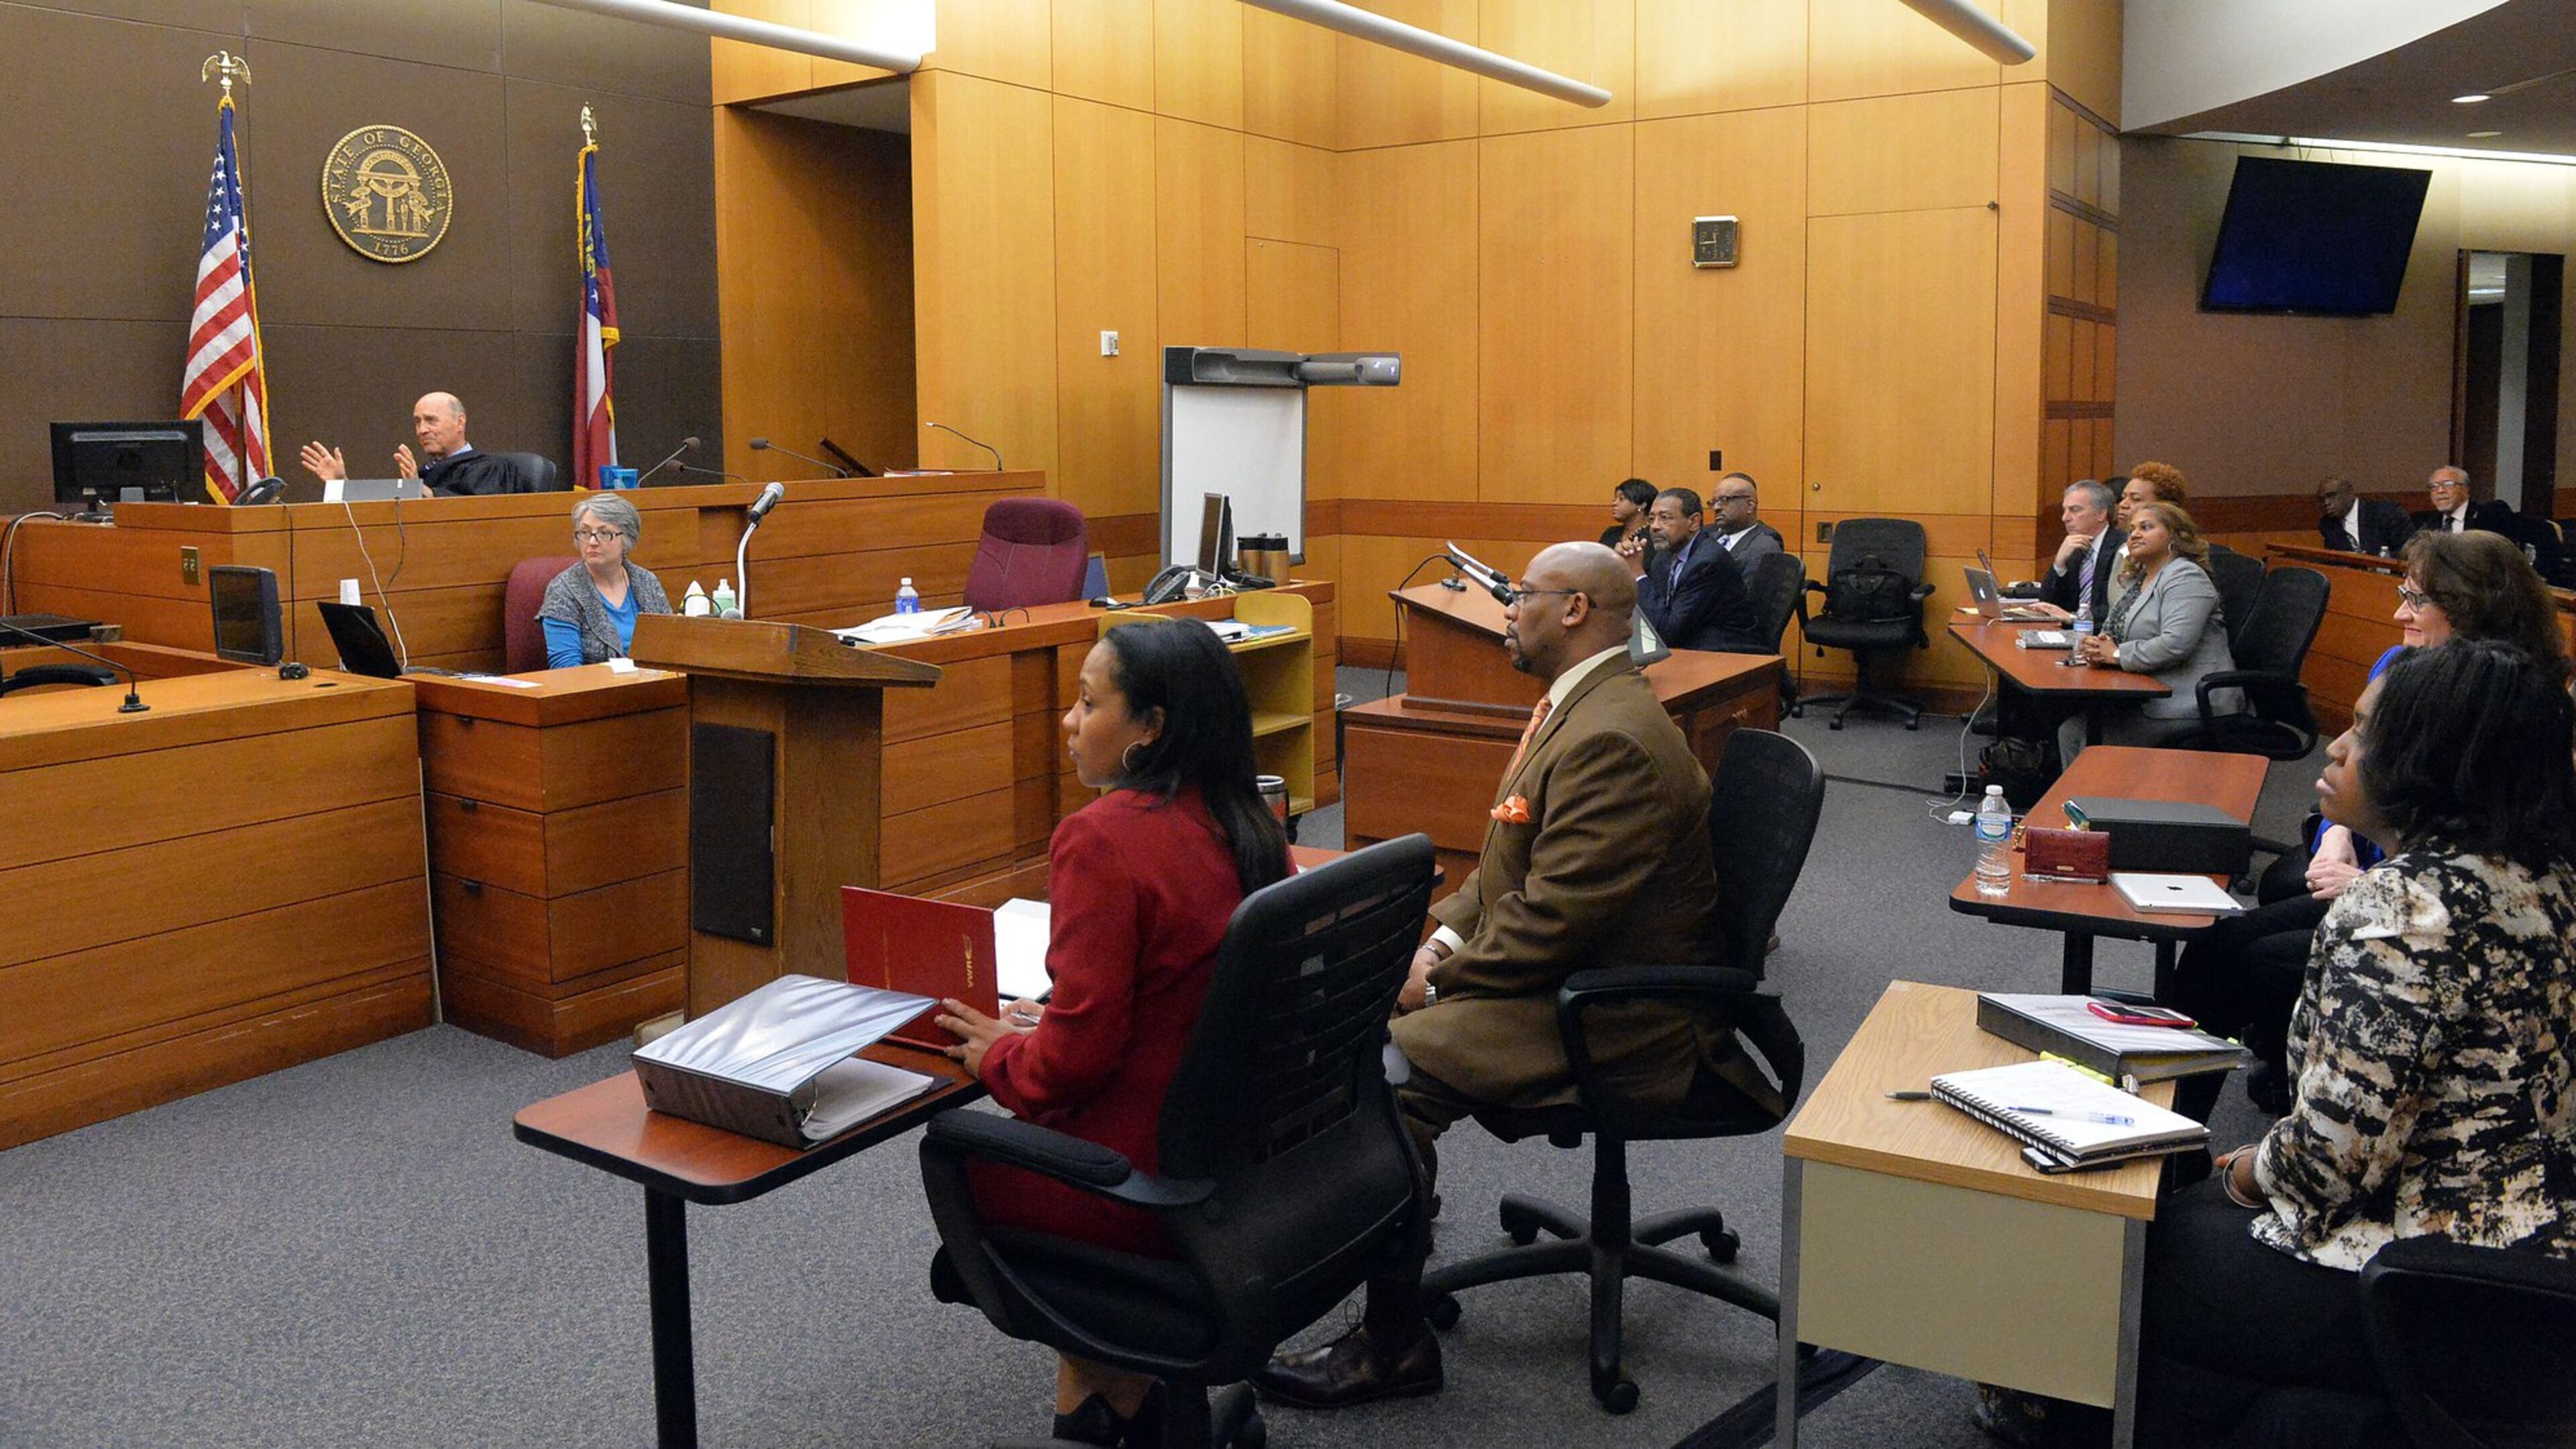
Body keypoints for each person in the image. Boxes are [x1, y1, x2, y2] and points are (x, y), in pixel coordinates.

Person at [1254, 542, 1758, 1410]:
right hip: (1568, 977)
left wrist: (1436, 988)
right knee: (1371, 1048)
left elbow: (1552, 919)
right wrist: (1439, 949)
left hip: (1621, 1017)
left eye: (1520, 596)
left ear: (1573, 611)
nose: (1507, 612)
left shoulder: (1614, 738)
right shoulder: (1581, 708)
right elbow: (1504, 870)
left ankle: (1395, 1338)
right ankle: (1392, 1230)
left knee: (1378, 1075)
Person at [2135, 639, 2576, 1445]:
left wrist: (2236, 1171)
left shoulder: (2402, 912)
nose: (2337, 745)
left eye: (2366, 732)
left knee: (2135, 1252)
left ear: (2430, 760)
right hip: (2545, 1277)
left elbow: (2324, 1168)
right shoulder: (2548, 876)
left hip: (2435, 1290)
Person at [932, 617, 1291, 1447]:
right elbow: (1176, 989)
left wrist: (1002, 1053)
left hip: (1137, 1181)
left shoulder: (1102, 839)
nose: (1069, 722)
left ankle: (1115, 1412)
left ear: (1150, 729)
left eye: (1088, 704)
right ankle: (1132, 1408)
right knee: (1103, 1330)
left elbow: (1070, 1069)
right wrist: (1057, 1015)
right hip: (1245, 1158)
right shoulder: (1249, 822)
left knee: (964, 1152)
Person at [2168, 530, 2569, 1109]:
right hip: (2375, 873)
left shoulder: (2517, 708)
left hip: (2428, 910)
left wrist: (2365, 886)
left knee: (2259, 961)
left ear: (2468, 607)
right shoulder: (2399, 665)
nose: (2398, 611)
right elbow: (2361, 772)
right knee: (2217, 943)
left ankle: (2295, 1094)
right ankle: (2175, 1133)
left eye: (2416, 598)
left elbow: (2489, 871)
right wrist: (2334, 839)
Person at [2057, 501, 2238, 762]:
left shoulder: (2187, 577)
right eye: (2132, 529)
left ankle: (2104, 801)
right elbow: (2114, 630)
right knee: (2071, 731)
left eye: (2146, 527)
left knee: (2094, 742)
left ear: (2174, 536)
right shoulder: (2142, 578)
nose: (2135, 534)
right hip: (2147, 689)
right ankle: (2079, 802)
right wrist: (2098, 647)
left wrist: (2117, 654)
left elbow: (2175, 644)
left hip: (2189, 700)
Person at [536, 493, 674, 667]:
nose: (592, 542)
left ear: (627, 540)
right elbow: (565, 669)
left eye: (604, 533)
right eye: (585, 533)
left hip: (654, 686)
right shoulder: (563, 590)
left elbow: (671, 648)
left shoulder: (647, 581)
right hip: (593, 690)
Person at [298, 392, 528, 496]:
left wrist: (421, 493)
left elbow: (473, 513)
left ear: (460, 423)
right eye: (417, 422)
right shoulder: (422, 474)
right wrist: (342, 484)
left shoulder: (489, 468)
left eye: (431, 420)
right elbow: (384, 505)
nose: (422, 430)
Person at [1634, 486, 1764, 653]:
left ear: (1694, 522)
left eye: (1665, 518)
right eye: (1651, 519)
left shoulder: (1709, 561)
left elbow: (1668, 633)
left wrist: (1638, 574)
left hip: (1729, 651)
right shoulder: (1663, 558)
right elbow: (1658, 613)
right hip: (1691, 643)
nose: (1655, 527)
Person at [2037, 480, 2121, 624]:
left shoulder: (2122, 548)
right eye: (2065, 510)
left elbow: (2119, 609)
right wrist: (2059, 564)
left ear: (2101, 514)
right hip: (2074, 634)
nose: (2065, 518)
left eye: (2075, 510)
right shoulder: (2074, 549)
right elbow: (2047, 604)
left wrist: (2074, 618)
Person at [1707, 472, 1785, 583]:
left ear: (1750, 506)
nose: (1716, 508)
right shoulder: (1709, 538)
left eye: (1725, 500)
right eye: (1714, 502)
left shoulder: (1763, 549)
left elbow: (1747, 598)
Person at [2314, 474, 2412, 557]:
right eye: (2322, 499)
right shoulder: (2328, 525)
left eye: (2331, 496)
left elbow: (2411, 550)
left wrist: (2376, 560)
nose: (2326, 503)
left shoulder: (2385, 513)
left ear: (2350, 493)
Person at [2411, 464, 2513, 537]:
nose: (2440, 491)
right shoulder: (2422, 523)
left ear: (2466, 489)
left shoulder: (2490, 515)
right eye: (2434, 487)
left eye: (2448, 485)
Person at [1599, 476, 1657, 566]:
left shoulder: (1654, 536)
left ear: (1641, 504)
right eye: (1615, 499)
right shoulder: (1610, 533)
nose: (1614, 503)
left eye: (1621, 499)